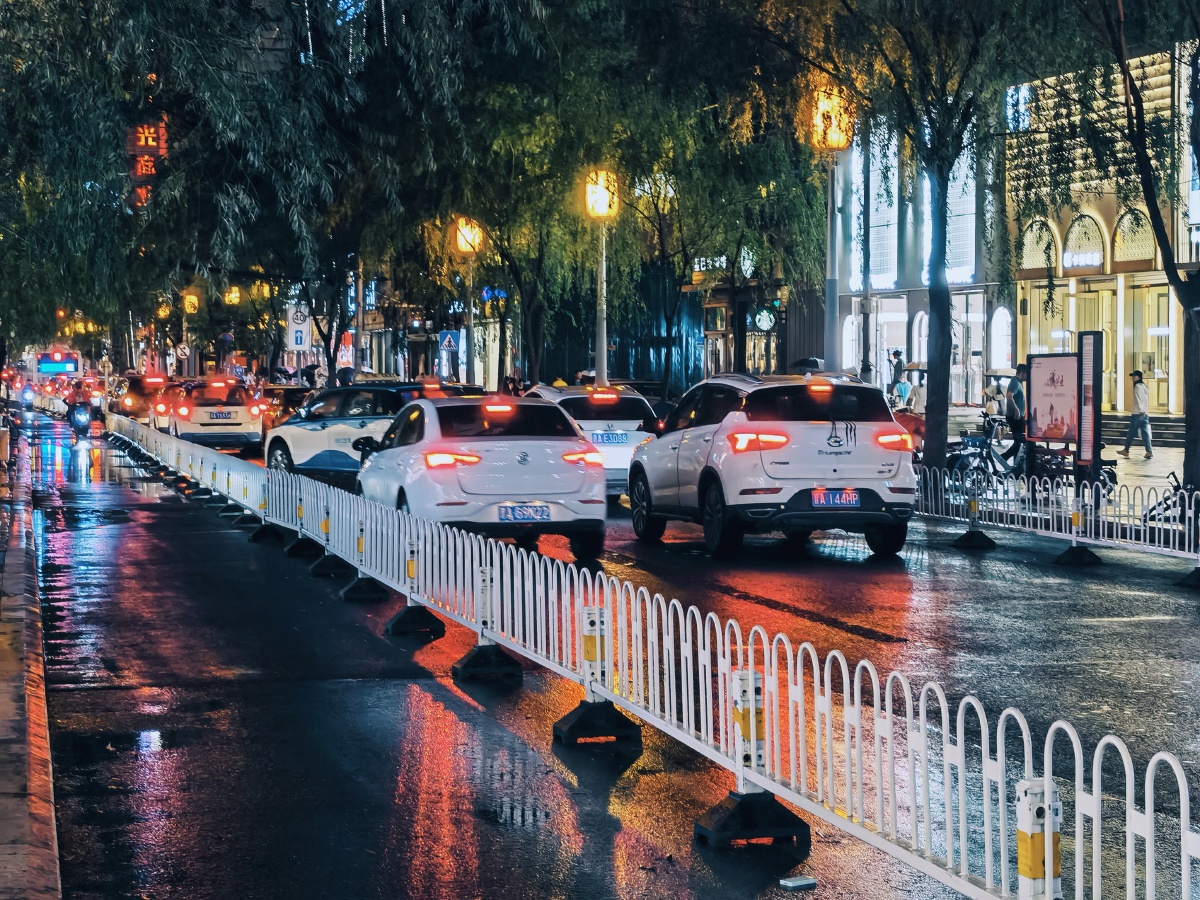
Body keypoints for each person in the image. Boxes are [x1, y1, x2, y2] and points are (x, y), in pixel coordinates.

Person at [1118, 370, 1152, 459]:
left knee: (1131, 432)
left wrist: (1141, 410)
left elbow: (1139, 399)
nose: (1133, 378)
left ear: (1139, 377)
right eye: (1132, 376)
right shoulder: (1144, 386)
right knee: (1145, 433)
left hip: (1138, 413)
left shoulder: (1137, 386)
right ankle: (1149, 451)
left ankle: (1126, 450)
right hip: (1145, 414)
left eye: (1135, 376)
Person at [1001, 363, 1028, 461]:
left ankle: (1016, 464)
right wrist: (1016, 410)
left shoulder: (1018, 382)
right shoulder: (1015, 382)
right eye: (1026, 373)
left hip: (1018, 416)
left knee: (1019, 442)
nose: (1027, 375)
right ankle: (1005, 457)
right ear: (1021, 373)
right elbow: (1009, 396)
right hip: (1015, 417)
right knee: (1020, 442)